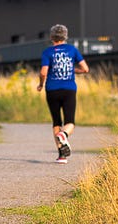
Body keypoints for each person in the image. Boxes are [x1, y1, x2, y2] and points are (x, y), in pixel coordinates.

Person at [36, 23, 89, 163]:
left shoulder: (47, 52)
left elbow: (43, 72)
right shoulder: (72, 50)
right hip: (69, 89)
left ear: (51, 37)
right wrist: (73, 71)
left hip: (52, 90)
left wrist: (41, 84)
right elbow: (85, 69)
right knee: (70, 121)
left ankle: (62, 156)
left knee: (56, 121)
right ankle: (64, 134)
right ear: (65, 36)